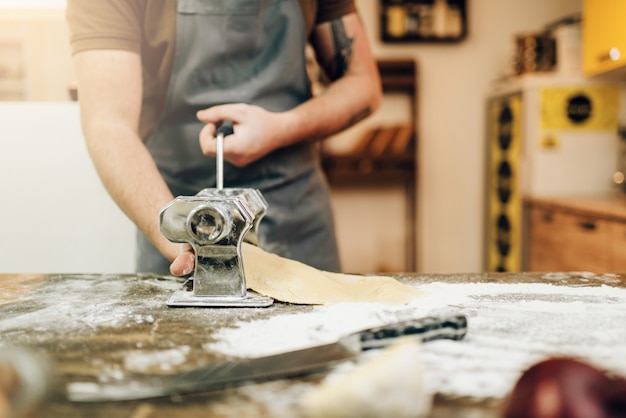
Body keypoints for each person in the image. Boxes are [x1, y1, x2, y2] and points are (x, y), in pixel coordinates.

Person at [66, 1, 382, 276]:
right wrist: (180, 238)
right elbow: (109, 124)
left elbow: (363, 83)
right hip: (175, 211)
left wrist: (282, 127)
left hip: (296, 218)